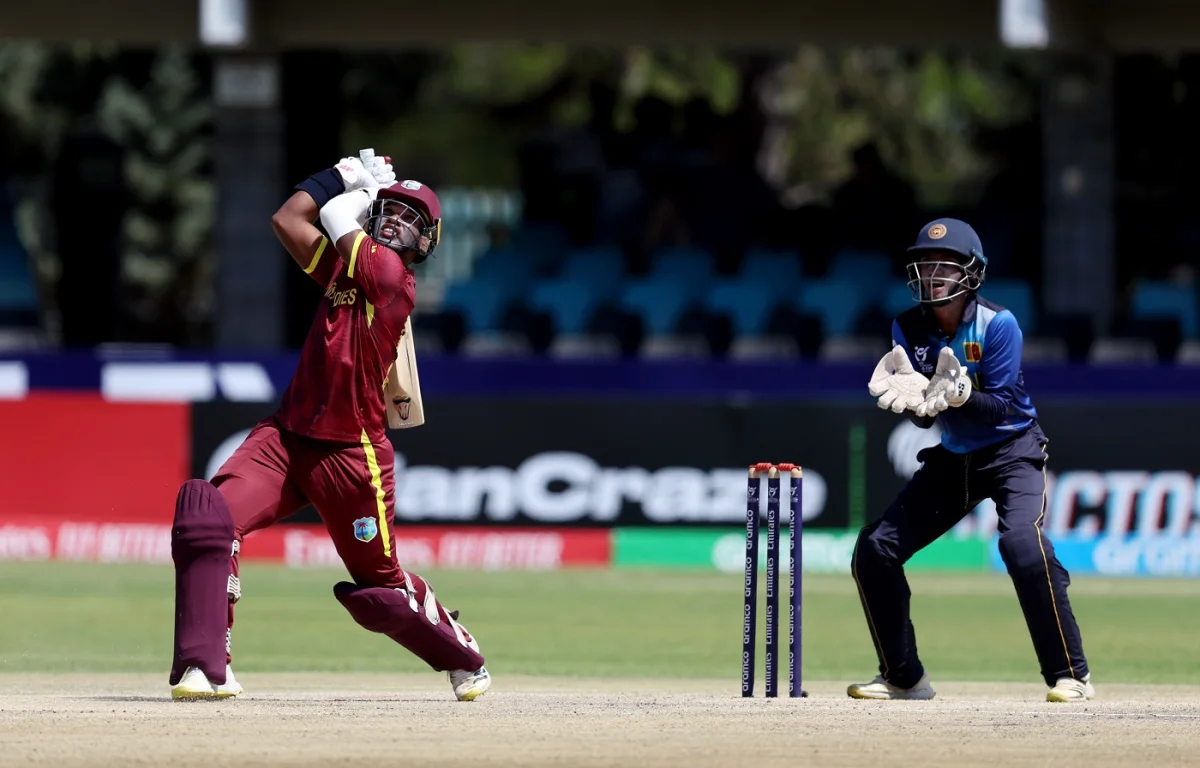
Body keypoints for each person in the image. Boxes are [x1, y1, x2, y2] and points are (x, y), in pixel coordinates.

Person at [167, 154, 491, 702]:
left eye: (411, 218)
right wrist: (336, 175)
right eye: (392, 210)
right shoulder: (345, 271)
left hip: (351, 453)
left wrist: (357, 189)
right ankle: (204, 667)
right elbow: (289, 220)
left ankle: (463, 656)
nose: (395, 221)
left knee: (379, 591)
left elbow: (339, 216)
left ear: (427, 242)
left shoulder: (392, 279)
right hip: (288, 437)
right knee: (207, 520)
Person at [853, 218, 1092, 703]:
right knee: (874, 551)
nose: (932, 274)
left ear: (972, 274)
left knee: (1023, 547)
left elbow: (1001, 406)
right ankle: (904, 678)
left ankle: (1071, 676)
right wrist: (915, 399)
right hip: (955, 458)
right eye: (924, 265)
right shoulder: (907, 326)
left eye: (945, 266)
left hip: (1012, 450)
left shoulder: (998, 324)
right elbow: (926, 415)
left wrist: (961, 392)